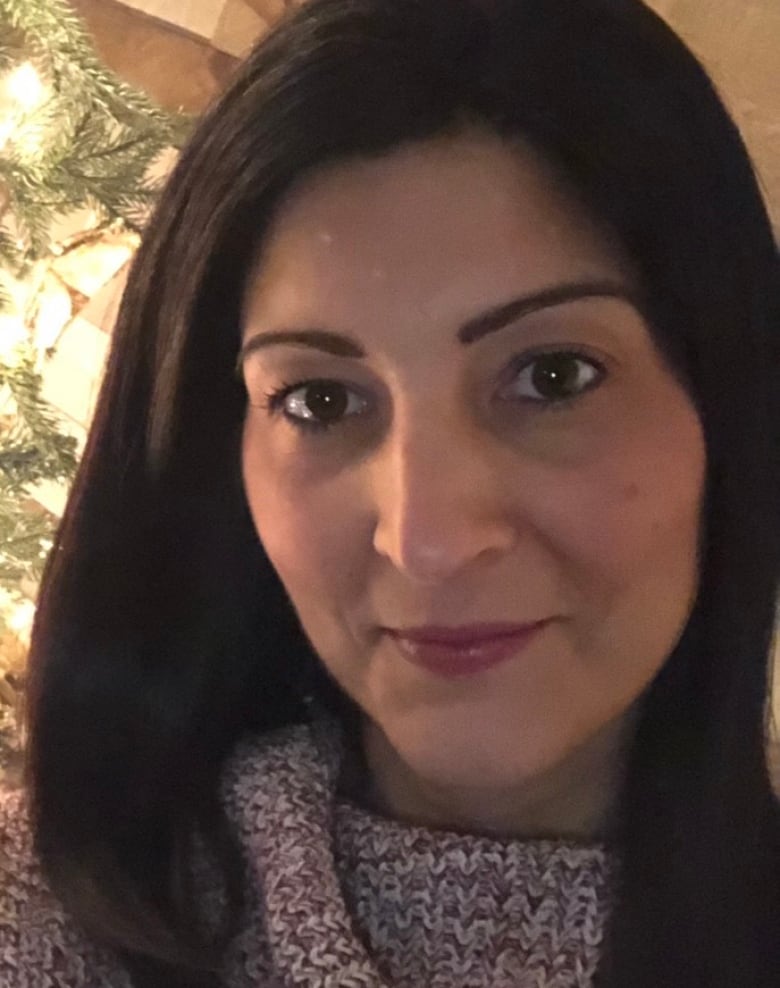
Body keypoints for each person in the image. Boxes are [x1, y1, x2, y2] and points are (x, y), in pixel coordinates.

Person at [1, 0, 779, 985]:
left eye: (552, 377)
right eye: (321, 400)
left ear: (728, 400)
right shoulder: (42, 913)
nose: (429, 538)